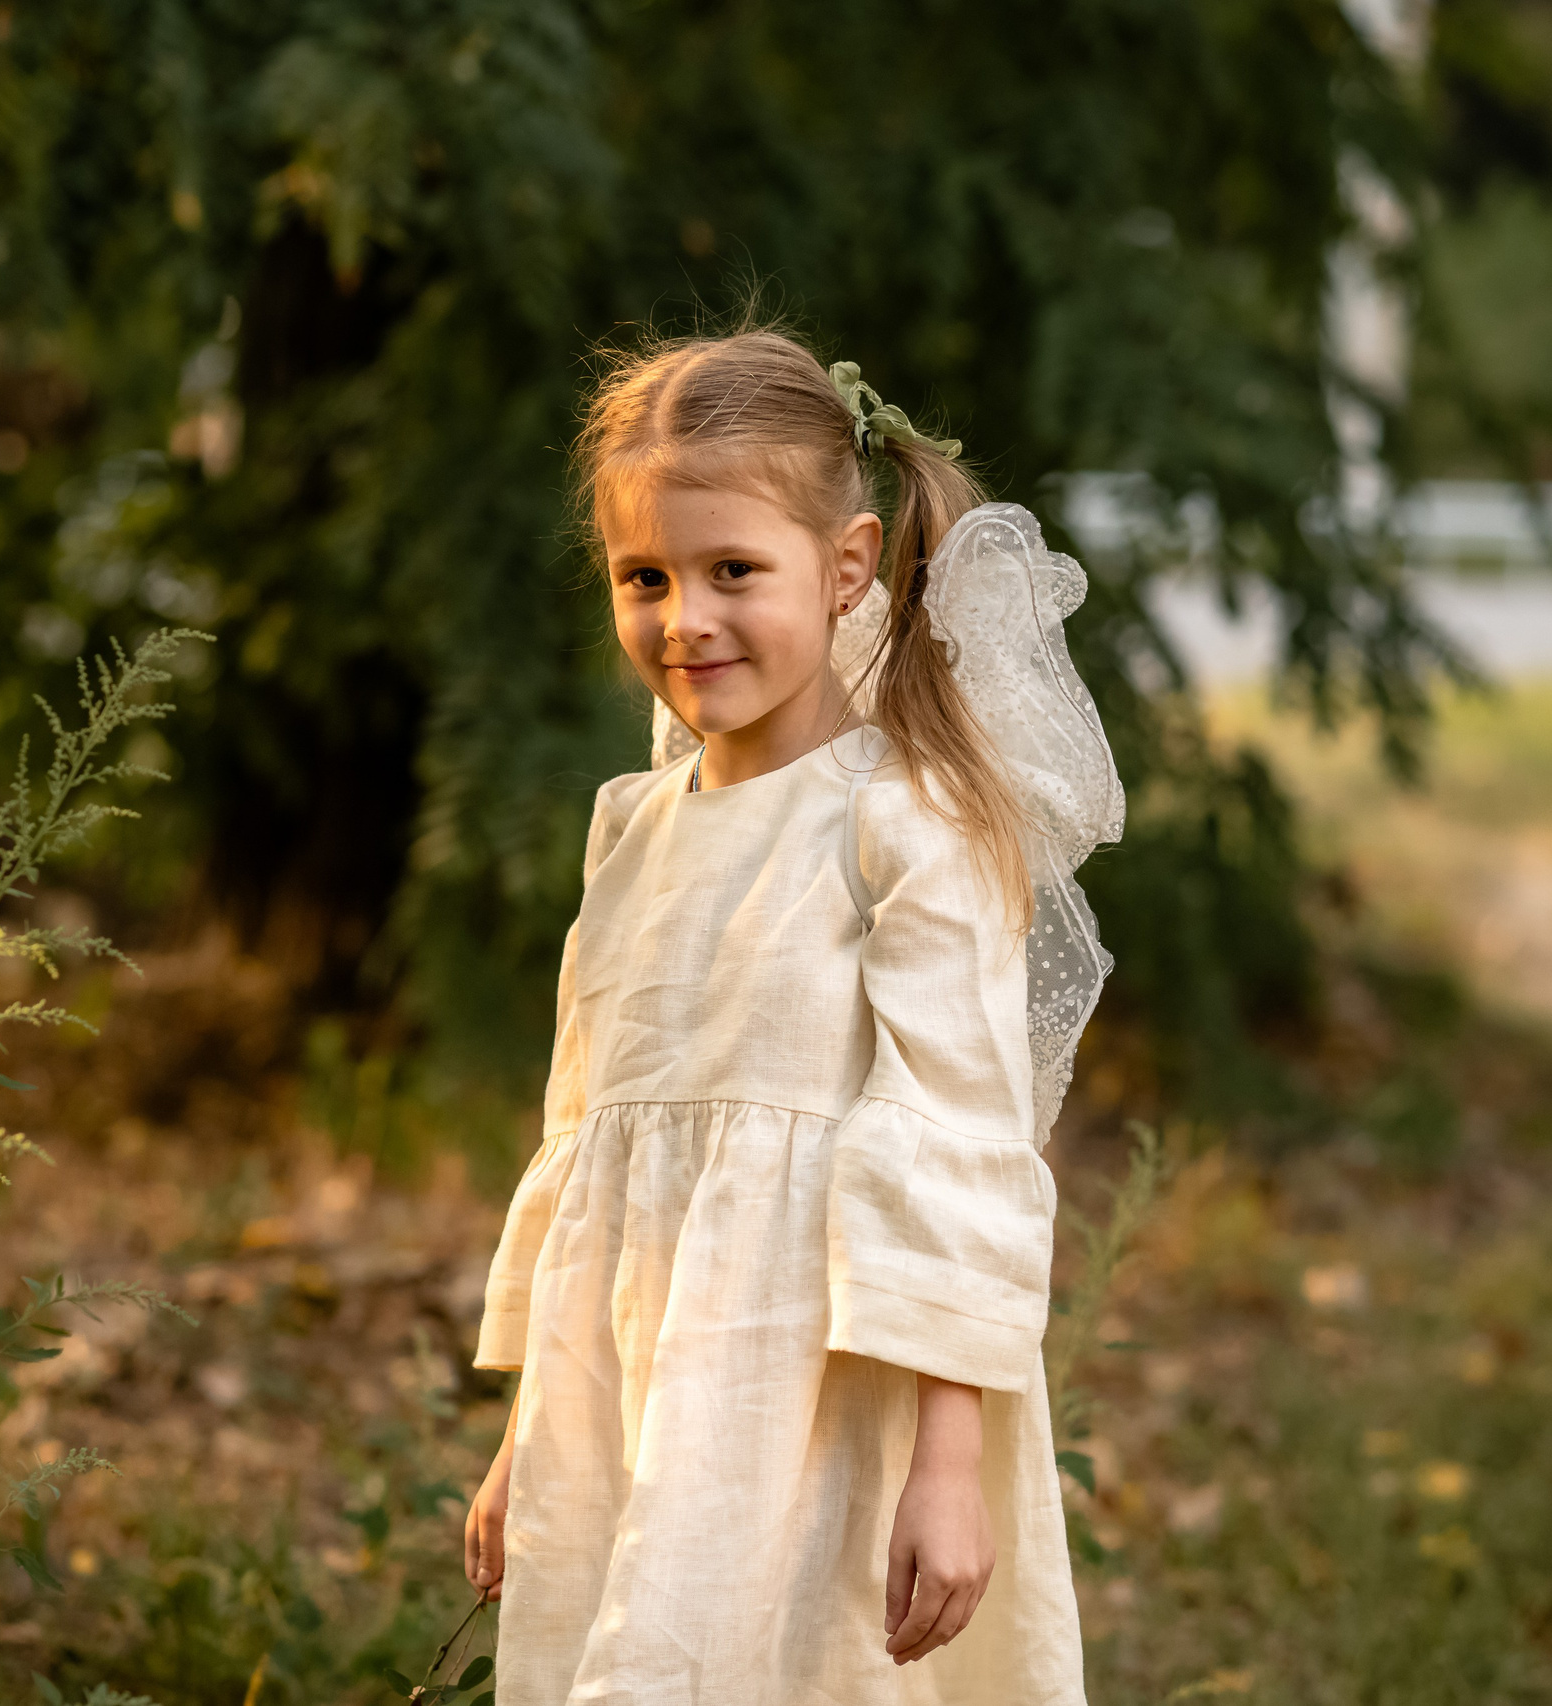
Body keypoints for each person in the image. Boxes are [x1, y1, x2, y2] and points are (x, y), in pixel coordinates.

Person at [462, 325, 1123, 1705]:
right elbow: (586, 1140)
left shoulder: (908, 826)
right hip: (637, 1392)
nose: (683, 619)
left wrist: (950, 1461)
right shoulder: (629, 831)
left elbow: (957, 1137)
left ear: (846, 568)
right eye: (643, 577)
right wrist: (533, 1436)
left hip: (826, 1393)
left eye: (732, 572)